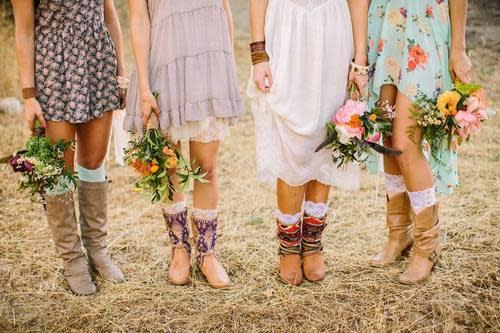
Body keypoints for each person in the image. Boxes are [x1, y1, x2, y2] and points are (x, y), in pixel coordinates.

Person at [248, 0, 370, 285]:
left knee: (327, 132)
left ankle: (313, 240)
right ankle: (289, 244)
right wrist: (258, 53)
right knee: (293, 141)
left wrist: (360, 58)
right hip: (285, 30)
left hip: (333, 30)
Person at [11, 0, 127, 295]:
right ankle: (72, 259)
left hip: (98, 60)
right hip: (53, 67)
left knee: (94, 159)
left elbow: (109, 13)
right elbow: (24, 30)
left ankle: (97, 249)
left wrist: (121, 74)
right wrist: (28, 96)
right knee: (59, 169)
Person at [127, 0, 243, 289]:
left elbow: (224, 7)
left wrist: (226, 65)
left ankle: (207, 252)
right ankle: (179, 248)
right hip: (167, 64)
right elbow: (139, 19)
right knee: (170, 164)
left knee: (206, 166)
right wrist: (143, 86)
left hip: (210, 63)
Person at [367, 0, 472, 283]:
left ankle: (427, 247)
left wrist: (458, 48)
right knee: (386, 134)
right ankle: (398, 234)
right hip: (383, 24)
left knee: (405, 142)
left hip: (424, 26)